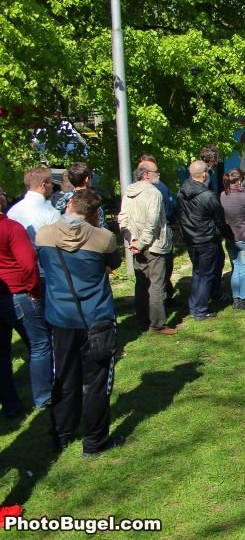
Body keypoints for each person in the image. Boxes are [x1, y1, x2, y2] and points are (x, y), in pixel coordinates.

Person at [35, 189, 123, 456]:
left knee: (64, 375)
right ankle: (95, 441)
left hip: (61, 317)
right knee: (97, 381)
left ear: (69, 204)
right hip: (96, 317)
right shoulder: (103, 237)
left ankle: (61, 434)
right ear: (95, 214)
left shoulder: (44, 235)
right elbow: (113, 263)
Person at [119, 161, 175, 335]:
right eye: (156, 171)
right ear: (146, 174)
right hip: (153, 245)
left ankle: (142, 320)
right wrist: (140, 242)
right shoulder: (153, 193)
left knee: (142, 283)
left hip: (138, 243)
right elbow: (152, 223)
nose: (158, 174)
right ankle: (157, 324)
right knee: (156, 285)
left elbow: (123, 219)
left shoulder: (129, 191)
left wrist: (131, 240)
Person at [175, 161, 234, 321]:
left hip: (191, 239)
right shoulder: (207, 196)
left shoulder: (181, 192)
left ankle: (197, 304)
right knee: (205, 275)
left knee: (198, 273)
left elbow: (179, 214)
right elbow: (220, 219)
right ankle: (200, 310)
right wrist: (229, 235)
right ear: (204, 174)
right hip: (206, 239)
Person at [0, 191, 40, 415]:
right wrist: (34, 289)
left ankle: (10, 405)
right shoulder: (11, 227)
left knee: (1, 356)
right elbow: (28, 262)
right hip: (17, 293)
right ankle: (46, 395)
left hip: (7, 293)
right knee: (39, 345)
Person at [220, 169, 245, 311]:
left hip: (230, 237)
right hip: (244, 237)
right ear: (239, 181)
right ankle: (243, 299)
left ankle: (236, 299)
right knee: (244, 268)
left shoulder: (223, 195)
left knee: (236, 268)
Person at [7, 166, 61, 244]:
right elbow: (56, 243)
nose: (53, 186)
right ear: (43, 185)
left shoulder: (12, 211)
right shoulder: (51, 213)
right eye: (51, 183)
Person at [51, 163, 106, 227]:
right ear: (87, 179)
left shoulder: (62, 200)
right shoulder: (93, 201)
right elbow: (101, 226)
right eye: (91, 177)